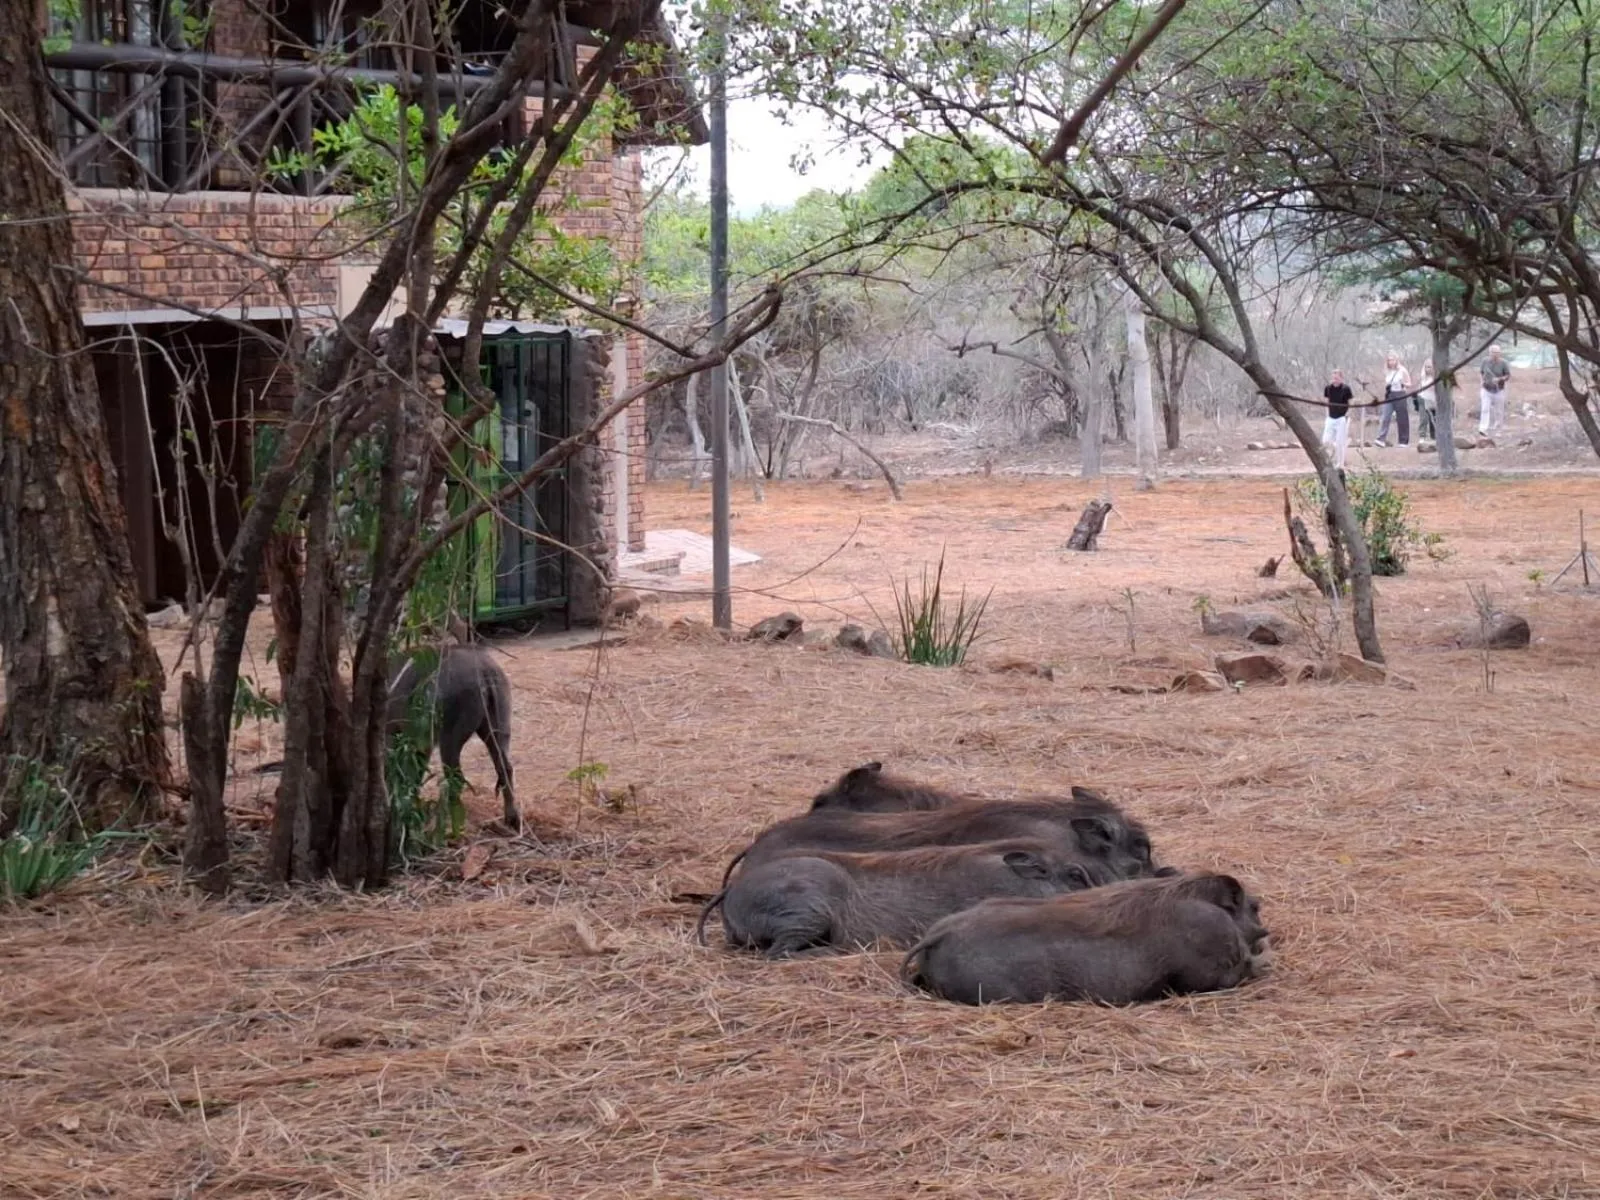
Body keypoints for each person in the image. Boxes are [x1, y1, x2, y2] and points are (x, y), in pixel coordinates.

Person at [1375, 353, 1412, 446]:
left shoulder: (1402, 370)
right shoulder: (1387, 371)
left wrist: (1403, 383)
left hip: (1400, 394)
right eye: (1389, 360)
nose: (1391, 362)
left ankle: (1403, 441)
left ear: (1396, 360)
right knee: (1385, 416)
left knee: (1402, 417)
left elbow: (1409, 383)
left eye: (1392, 360)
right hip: (1390, 395)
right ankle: (1381, 439)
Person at [1322, 368, 1353, 468]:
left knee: (1340, 442)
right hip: (1331, 417)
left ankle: (1340, 464)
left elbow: (1350, 402)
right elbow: (1326, 401)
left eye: (1337, 377)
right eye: (1333, 377)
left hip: (1341, 418)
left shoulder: (1346, 389)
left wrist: (1347, 415)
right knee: (1326, 440)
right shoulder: (1328, 388)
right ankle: (1328, 460)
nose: (1335, 379)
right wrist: (1327, 415)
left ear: (1341, 378)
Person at [1478, 344, 1511, 437]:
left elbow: (1508, 375)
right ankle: (1483, 429)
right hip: (1486, 389)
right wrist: (1481, 381)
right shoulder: (1485, 361)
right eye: (1493, 352)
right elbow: (1481, 372)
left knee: (1499, 411)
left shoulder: (1503, 363)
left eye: (1497, 353)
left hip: (1498, 390)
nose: (1495, 354)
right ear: (1490, 353)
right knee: (1485, 408)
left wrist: (1500, 379)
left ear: (1500, 353)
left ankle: (1498, 429)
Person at [1415, 360, 1437, 442]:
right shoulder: (1422, 377)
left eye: (1430, 367)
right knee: (1423, 419)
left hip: (1433, 400)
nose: (1428, 369)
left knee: (1434, 419)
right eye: (1427, 367)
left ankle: (1434, 436)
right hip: (1423, 398)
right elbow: (1419, 388)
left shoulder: (1436, 377)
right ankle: (1422, 436)